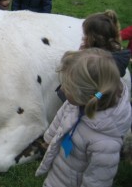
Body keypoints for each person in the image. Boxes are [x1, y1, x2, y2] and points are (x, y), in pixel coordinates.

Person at [35, 48, 132, 187]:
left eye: (67, 87)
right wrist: (49, 138)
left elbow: (97, 180)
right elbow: (60, 117)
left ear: (88, 97)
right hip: (59, 171)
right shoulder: (74, 103)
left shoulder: (105, 144)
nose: (62, 89)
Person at [56, 10, 131, 102]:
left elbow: (104, 91)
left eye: (85, 35)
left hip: (94, 108)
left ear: (93, 38)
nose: (83, 38)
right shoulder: (114, 52)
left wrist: (94, 99)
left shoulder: (101, 65)